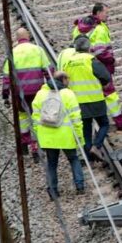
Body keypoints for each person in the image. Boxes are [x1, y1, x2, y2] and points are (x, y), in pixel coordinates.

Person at [72, 3, 122, 131]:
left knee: (90, 93)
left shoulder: (78, 28)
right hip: (100, 66)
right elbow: (100, 52)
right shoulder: (99, 29)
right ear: (98, 13)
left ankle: (95, 123)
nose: (107, 15)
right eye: (105, 12)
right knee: (109, 93)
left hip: (83, 65)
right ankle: (120, 121)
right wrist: (112, 61)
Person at [31, 71, 84, 199]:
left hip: (48, 137)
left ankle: (53, 191)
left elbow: (35, 118)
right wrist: (79, 137)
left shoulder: (40, 94)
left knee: (51, 163)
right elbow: (76, 118)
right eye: (68, 79)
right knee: (73, 159)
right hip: (66, 136)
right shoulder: (68, 94)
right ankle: (80, 186)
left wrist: (39, 135)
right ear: (63, 80)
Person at [2, 27, 52, 158]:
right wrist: (52, 87)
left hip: (20, 93)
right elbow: (48, 70)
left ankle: (25, 144)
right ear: (28, 36)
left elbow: (7, 76)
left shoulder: (12, 52)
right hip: (38, 91)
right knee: (36, 116)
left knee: (23, 117)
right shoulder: (38, 50)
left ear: (17, 39)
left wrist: (5, 93)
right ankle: (36, 147)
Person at [60, 35, 111, 161]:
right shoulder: (91, 60)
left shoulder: (68, 62)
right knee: (104, 124)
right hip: (95, 100)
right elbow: (105, 76)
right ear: (89, 48)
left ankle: (89, 158)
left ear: (76, 48)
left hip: (78, 103)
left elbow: (64, 81)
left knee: (86, 131)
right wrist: (104, 84)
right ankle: (97, 146)